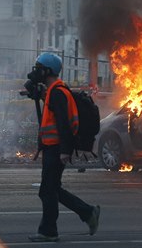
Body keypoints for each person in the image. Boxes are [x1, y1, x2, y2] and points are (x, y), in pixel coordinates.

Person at [28, 52, 100, 242]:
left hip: (56, 148)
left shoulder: (59, 92)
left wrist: (65, 151)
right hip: (52, 147)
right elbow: (52, 112)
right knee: (52, 189)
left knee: (47, 190)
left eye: (39, 68)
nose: (36, 72)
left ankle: (48, 231)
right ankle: (88, 212)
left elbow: (63, 124)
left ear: (47, 71)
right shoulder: (53, 91)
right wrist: (37, 94)